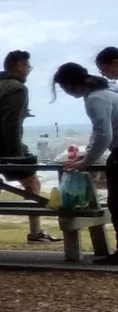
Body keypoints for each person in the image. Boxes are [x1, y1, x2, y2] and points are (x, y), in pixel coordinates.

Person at [51, 62, 118, 258]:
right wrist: (88, 152)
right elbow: (100, 132)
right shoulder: (107, 92)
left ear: (71, 84)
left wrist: (86, 162)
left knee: (117, 203)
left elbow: (104, 134)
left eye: (64, 88)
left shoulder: (95, 99)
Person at [0, 49, 52, 244]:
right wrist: (16, 154)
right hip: (6, 147)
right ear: (19, 65)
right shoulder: (17, 88)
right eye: (28, 66)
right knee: (32, 184)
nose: (29, 70)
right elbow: (11, 123)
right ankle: (35, 232)